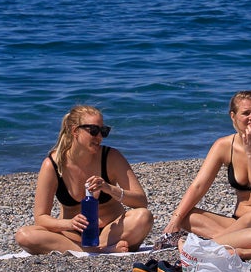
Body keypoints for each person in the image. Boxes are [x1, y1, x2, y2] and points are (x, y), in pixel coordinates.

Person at [13, 105, 154, 253]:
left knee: (144, 217)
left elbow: (141, 202)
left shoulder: (111, 157)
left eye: (103, 131)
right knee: (24, 235)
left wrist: (109, 188)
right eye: (93, 131)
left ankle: (91, 250)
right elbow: (41, 217)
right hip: (73, 235)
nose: (99, 137)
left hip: (111, 231)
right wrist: (69, 224)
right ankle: (99, 250)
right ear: (75, 131)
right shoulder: (53, 165)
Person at [160, 91, 251, 240]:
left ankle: (216, 243)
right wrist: (175, 220)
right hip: (237, 223)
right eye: (246, 113)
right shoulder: (224, 145)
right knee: (186, 215)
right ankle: (231, 240)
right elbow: (199, 186)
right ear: (233, 116)